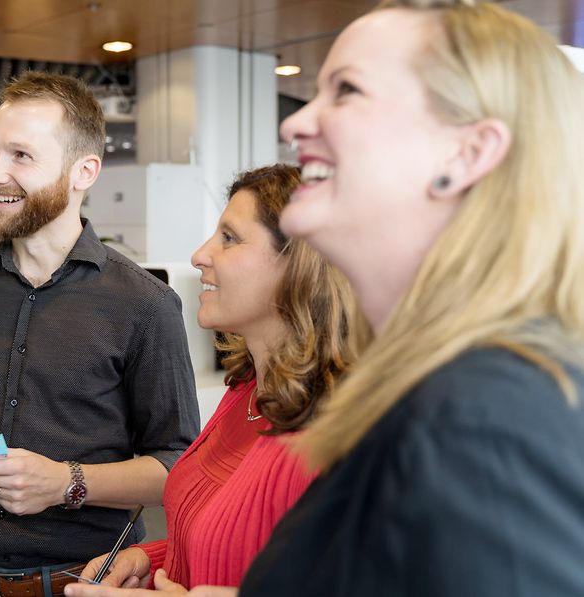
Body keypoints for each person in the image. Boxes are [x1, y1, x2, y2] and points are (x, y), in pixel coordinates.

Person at [236, 1, 584, 596]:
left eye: (346, 91)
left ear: (466, 154)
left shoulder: (485, 414)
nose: (295, 123)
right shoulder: (438, 389)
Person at [0, 71, 200, 597]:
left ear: (84, 172)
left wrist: (67, 483)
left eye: (20, 156)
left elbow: (176, 467)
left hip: (86, 582)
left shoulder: (145, 304)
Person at [63, 166, 361, 597]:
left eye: (230, 238)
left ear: (300, 266)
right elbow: (241, 551)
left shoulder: (339, 431)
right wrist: (155, 557)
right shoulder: (246, 391)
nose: (200, 255)